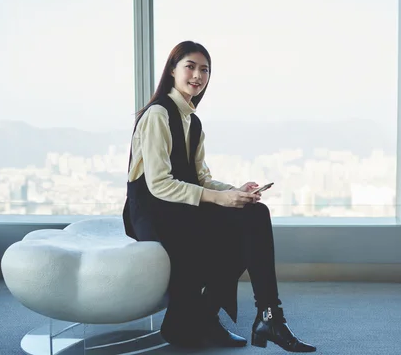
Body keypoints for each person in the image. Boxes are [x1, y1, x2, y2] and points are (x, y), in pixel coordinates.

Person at [123, 40, 316, 352]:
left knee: (254, 214)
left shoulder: (193, 122)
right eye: (190, 66)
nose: (198, 75)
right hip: (152, 212)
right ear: (173, 70)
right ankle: (209, 316)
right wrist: (221, 201)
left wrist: (234, 191)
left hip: (182, 207)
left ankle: (268, 315)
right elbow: (158, 184)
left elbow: (202, 179)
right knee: (241, 231)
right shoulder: (158, 114)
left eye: (205, 70)